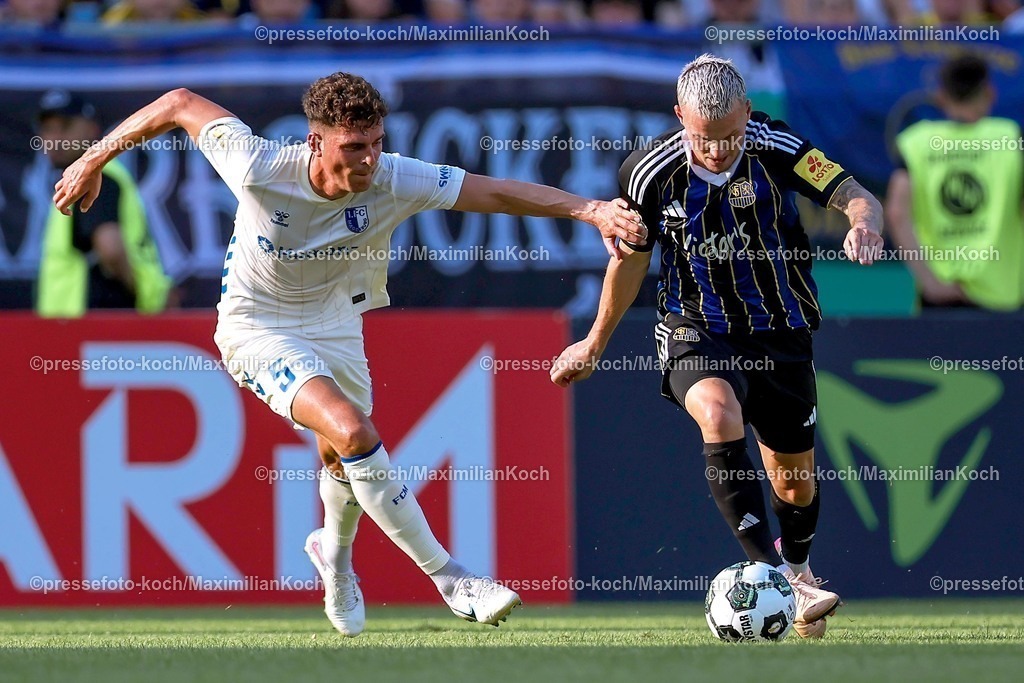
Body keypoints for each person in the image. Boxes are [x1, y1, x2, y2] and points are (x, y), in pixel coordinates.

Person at [53, 72, 645, 636]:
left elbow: (490, 192)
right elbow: (179, 101)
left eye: (377, 144)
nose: (369, 159)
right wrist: (92, 157)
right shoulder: (258, 164)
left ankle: (333, 560)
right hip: (255, 326)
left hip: (336, 321)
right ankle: (451, 577)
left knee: (342, 457)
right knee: (354, 431)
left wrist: (588, 209)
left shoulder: (393, 177)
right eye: (355, 146)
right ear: (316, 141)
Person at [551, 54, 884, 639]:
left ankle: (797, 569)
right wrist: (595, 341)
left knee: (793, 482)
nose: (718, 151)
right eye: (704, 139)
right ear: (680, 118)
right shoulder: (647, 173)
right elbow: (629, 264)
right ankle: (770, 573)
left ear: (748, 113)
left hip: (781, 331)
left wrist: (864, 223)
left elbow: (854, 192)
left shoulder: (777, 145)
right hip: (693, 325)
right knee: (717, 411)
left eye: (730, 135)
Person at [886, 55, 1024, 310]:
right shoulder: (1010, 137)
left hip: (941, 295)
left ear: (941, 96)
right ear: (989, 93)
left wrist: (930, 282)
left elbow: (897, 213)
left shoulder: (915, 143)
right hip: (1005, 297)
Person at [37, 90, 171, 317]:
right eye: (48, 129)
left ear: (92, 129)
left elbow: (110, 248)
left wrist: (139, 292)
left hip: (93, 323)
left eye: (65, 126)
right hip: (75, 324)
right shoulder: (79, 178)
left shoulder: (94, 177)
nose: (55, 138)